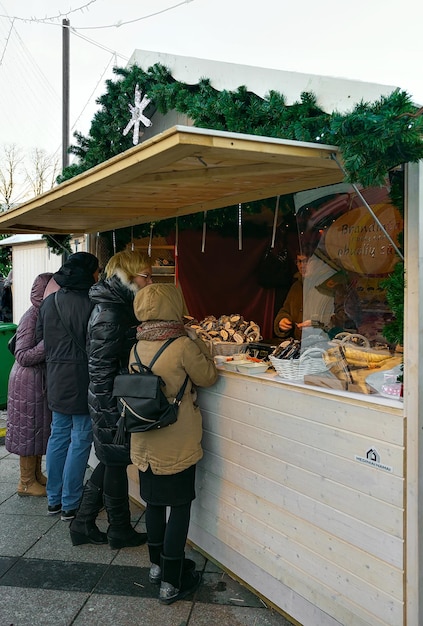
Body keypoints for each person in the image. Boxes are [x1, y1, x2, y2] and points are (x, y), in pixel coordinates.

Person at [130, 283, 218, 605]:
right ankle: (171, 580)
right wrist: (197, 340)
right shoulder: (181, 345)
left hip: (144, 441)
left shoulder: (137, 346)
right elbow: (209, 376)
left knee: (153, 503)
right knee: (179, 506)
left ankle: (156, 567)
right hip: (177, 443)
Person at [69, 249, 154, 549]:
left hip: (111, 396)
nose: (150, 282)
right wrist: (112, 409)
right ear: (129, 277)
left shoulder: (118, 304)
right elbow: (101, 368)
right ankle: (115, 528)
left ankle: (86, 523)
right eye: (146, 276)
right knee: (115, 461)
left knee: (112, 460)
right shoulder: (111, 311)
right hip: (110, 399)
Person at [36, 252, 99, 521]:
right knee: (81, 437)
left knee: (58, 435)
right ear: (89, 273)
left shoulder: (48, 302)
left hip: (56, 376)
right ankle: (71, 502)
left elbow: (41, 338)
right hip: (82, 375)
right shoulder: (92, 303)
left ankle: (54, 499)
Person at [6, 272, 54, 497]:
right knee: (28, 431)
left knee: (35, 430)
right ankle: (25, 482)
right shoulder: (33, 316)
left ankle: (34, 475)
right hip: (28, 381)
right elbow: (22, 354)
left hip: (34, 381)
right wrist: (50, 343)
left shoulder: (41, 313)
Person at [273, 252, 310, 340]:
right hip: (299, 345)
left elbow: (338, 319)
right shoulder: (296, 287)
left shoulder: (328, 288)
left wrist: (316, 325)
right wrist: (282, 320)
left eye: (306, 261)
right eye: (299, 261)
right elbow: (286, 310)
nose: (302, 266)